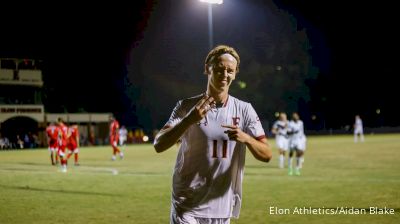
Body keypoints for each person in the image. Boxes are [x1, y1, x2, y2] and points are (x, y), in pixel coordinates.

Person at [153, 45, 272, 224]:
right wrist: (189, 120)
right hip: (187, 204)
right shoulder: (186, 106)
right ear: (207, 68)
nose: (224, 74)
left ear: (235, 73)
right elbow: (158, 144)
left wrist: (246, 138)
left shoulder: (244, 110)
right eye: (219, 68)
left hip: (222, 206)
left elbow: (267, 154)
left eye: (230, 70)